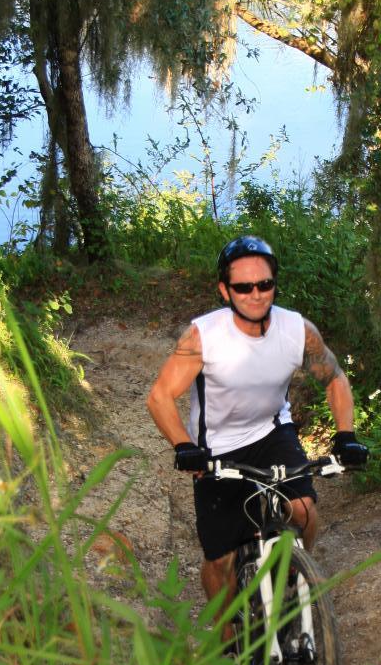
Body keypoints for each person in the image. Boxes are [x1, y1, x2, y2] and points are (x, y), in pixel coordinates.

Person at [147, 235, 368, 614]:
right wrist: (184, 446)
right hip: (215, 448)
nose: (256, 294)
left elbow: (335, 379)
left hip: (271, 433)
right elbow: (160, 396)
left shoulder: (297, 330)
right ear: (224, 290)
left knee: (303, 510)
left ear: (274, 284)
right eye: (243, 287)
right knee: (221, 561)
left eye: (264, 284)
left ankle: (295, 573)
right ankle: (226, 640)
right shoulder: (204, 336)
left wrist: (346, 435)